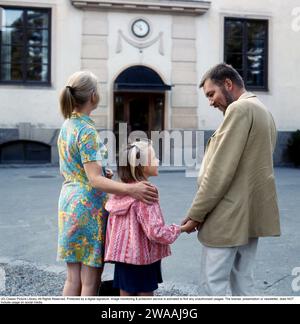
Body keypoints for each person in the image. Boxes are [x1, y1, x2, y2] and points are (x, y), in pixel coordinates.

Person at [182, 63, 281, 296]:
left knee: (211, 285)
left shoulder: (239, 110)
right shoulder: (263, 110)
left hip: (226, 217)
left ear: (228, 84)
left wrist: (196, 214)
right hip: (250, 217)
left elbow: (219, 172)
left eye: (211, 94)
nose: (210, 101)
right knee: (243, 283)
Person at [57, 71, 158, 296]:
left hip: (68, 203)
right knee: (90, 281)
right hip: (89, 207)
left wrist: (103, 172)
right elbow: (93, 180)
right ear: (93, 96)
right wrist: (132, 188)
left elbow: (80, 169)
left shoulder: (67, 126)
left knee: (73, 278)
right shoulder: (87, 130)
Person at [105, 140, 190, 296]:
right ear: (142, 166)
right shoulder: (146, 192)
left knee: (125, 294)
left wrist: (110, 181)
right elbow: (155, 231)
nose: (158, 160)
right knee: (145, 295)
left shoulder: (118, 191)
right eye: (154, 158)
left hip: (123, 258)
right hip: (143, 259)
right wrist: (182, 229)